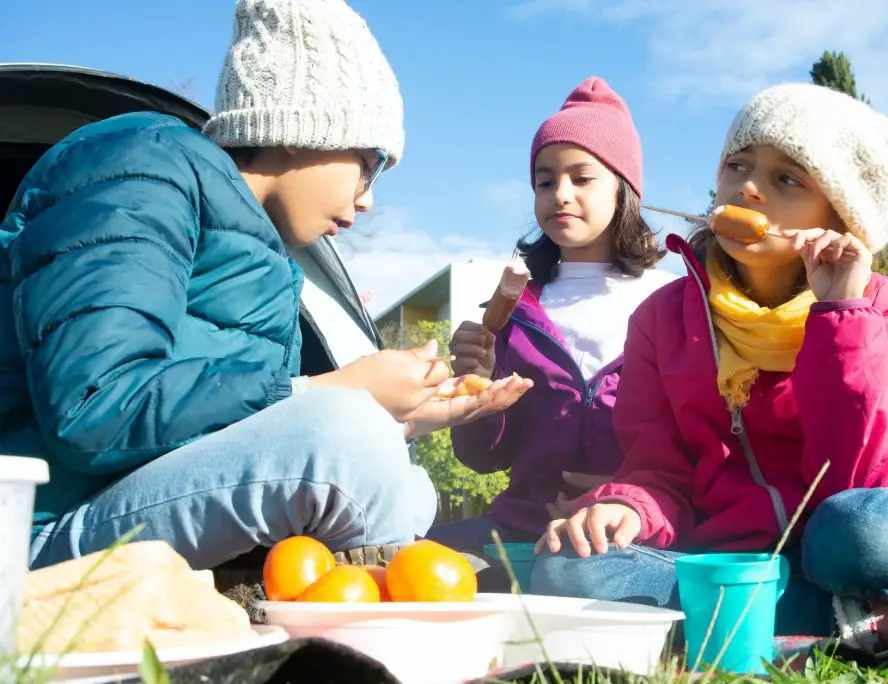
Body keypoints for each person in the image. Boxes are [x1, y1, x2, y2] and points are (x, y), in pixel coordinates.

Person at [0, 0, 528, 579]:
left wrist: (404, 416)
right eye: (370, 163)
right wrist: (324, 391)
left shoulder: (271, 265)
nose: (368, 198)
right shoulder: (141, 166)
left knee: (410, 483)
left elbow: (201, 431)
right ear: (305, 128)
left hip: (111, 512)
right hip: (32, 527)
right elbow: (92, 406)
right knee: (346, 437)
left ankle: (335, 611)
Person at [532, 83, 888, 677]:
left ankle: (840, 619)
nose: (748, 188)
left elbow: (862, 480)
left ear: (838, 216)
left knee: (850, 532)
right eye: (737, 166)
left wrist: (841, 315)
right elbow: (657, 469)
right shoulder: (662, 321)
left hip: (868, 539)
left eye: (787, 179)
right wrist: (628, 508)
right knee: (569, 568)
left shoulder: (880, 307)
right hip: (740, 562)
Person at [427, 78, 676, 574]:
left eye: (582, 179)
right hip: (523, 523)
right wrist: (476, 394)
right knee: (420, 560)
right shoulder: (518, 310)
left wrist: (621, 496)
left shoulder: (672, 301)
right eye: (545, 180)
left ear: (624, 188)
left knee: (578, 576)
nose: (560, 194)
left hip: (634, 526)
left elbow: (690, 433)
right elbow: (485, 459)